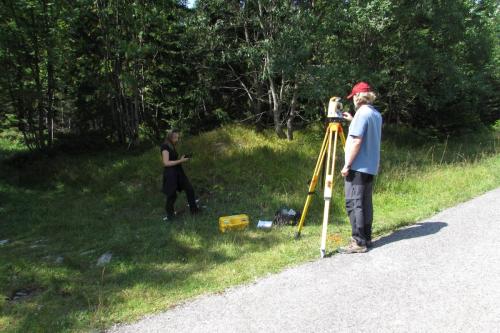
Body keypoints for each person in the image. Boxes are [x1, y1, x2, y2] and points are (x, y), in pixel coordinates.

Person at [339, 82, 382, 253]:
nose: (353, 100)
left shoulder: (361, 115)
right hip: (370, 166)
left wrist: (347, 165)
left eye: (354, 97)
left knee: (354, 203)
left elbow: (357, 141)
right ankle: (367, 237)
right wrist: (352, 120)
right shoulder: (375, 114)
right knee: (365, 203)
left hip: (357, 167)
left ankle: (358, 242)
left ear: (358, 96)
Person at [161, 129, 199, 221]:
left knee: (189, 189)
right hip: (171, 174)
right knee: (172, 195)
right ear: (170, 137)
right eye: (175, 137)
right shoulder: (165, 146)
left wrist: (180, 159)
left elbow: (173, 159)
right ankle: (170, 216)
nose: (177, 139)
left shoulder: (172, 146)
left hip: (178, 171)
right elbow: (166, 163)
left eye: (177, 137)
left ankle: (194, 210)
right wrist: (181, 161)